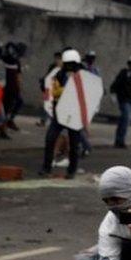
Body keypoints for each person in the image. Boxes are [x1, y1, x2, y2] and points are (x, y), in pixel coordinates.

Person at [39, 49, 84, 178]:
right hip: (60, 113)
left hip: (74, 115)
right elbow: (51, 89)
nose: (69, 67)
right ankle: (46, 167)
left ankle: (71, 171)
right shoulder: (59, 74)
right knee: (50, 139)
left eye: (72, 64)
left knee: (74, 144)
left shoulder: (82, 76)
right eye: (67, 64)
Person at [1, 42, 25, 132]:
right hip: (8, 88)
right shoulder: (10, 60)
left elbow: (18, 77)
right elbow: (18, 77)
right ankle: (4, 125)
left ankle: (7, 123)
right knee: (5, 107)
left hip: (7, 88)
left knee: (7, 106)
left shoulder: (8, 60)